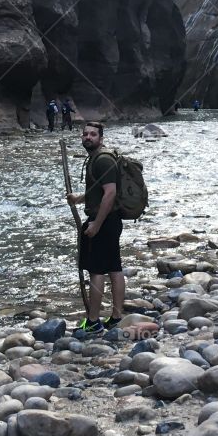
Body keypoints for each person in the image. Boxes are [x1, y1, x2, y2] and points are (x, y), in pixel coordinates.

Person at [67, 120, 124, 333]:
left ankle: (93, 322)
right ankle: (116, 318)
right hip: (110, 220)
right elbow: (98, 191)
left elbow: (110, 194)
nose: (88, 137)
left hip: (104, 221)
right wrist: (79, 198)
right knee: (114, 268)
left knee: (96, 271)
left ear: (101, 138)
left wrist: (96, 224)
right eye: (85, 134)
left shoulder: (103, 160)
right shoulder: (97, 158)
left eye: (93, 134)